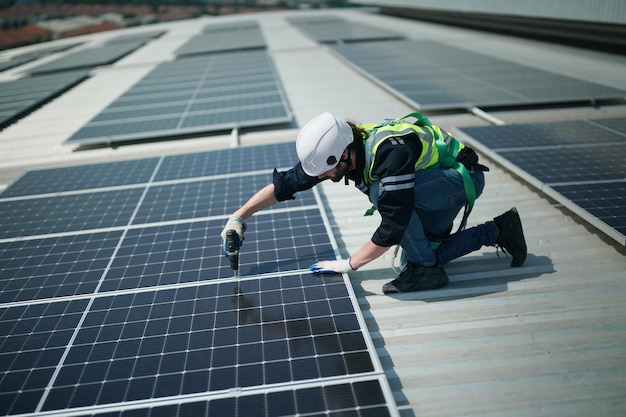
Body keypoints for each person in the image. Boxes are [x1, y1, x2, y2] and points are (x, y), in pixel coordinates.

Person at [220, 112, 527, 294]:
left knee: (386, 197)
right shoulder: (342, 151)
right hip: (432, 185)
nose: (323, 177)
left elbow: (393, 224)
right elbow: (288, 183)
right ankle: (499, 230)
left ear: (342, 155)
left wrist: (350, 264)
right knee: (416, 260)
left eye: (326, 171)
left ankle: (429, 269)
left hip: (461, 180)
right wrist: (240, 216)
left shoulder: (387, 155)